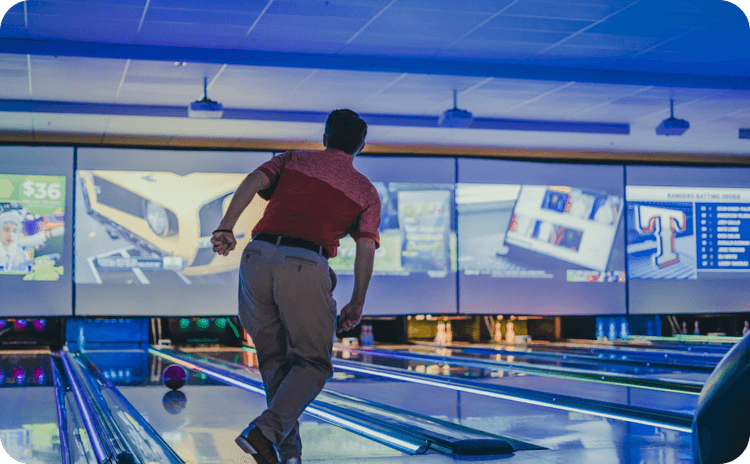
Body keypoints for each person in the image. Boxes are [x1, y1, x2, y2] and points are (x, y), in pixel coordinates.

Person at [211, 109, 380, 464]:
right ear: (360, 146)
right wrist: (358, 301)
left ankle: (287, 455)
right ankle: (265, 432)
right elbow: (365, 249)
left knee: (276, 362)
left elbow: (253, 182)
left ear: (325, 136)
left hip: (256, 258)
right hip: (304, 263)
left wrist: (226, 227)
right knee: (314, 363)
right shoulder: (366, 191)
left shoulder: (292, 160)